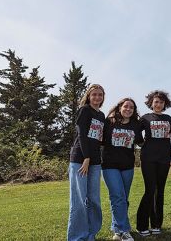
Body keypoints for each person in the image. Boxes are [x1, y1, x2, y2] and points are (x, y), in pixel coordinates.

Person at [67, 84, 106, 241]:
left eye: (100, 95)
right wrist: (86, 158)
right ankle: (77, 237)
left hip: (95, 161)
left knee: (94, 200)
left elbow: (97, 138)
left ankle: (91, 234)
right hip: (80, 160)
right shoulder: (84, 110)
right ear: (89, 96)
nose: (97, 97)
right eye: (94, 94)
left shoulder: (101, 115)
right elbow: (82, 135)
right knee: (79, 201)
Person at [102, 98, 144, 241]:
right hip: (109, 165)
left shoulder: (136, 125)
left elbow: (141, 142)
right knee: (117, 196)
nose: (128, 109)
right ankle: (125, 231)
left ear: (134, 110)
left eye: (131, 107)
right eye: (126, 106)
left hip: (127, 166)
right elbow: (98, 140)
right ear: (120, 107)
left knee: (123, 199)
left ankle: (117, 230)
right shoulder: (109, 122)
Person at [136, 90, 171, 236]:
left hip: (164, 158)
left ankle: (156, 224)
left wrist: (164, 139)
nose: (158, 104)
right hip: (148, 158)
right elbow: (135, 133)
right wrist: (142, 143)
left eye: (161, 102)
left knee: (160, 191)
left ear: (165, 104)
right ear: (151, 103)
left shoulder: (168, 118)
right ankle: (141, 225)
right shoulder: (145, 118)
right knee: (150, 190)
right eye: (156, 102)